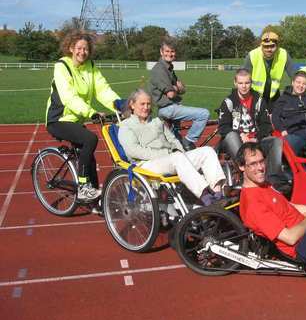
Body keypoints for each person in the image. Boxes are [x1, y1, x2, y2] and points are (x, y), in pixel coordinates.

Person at [118, 89, 226, 206]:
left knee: (207, 151)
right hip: (145, 164)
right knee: (177, 158)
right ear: (132, 105)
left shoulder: (156, 121)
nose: (146, 107)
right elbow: (133, 151)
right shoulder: (126, 126)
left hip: (171, 159)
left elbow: (173, 140)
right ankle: (206, 196)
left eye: (148, 104)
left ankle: (217, 194)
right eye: (142, 104)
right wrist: (165, 154)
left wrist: (180, 151)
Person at [46, 31, 119, 201]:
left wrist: (120, 105)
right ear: (71, 48)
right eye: (79, 48)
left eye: (86, 49)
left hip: (76, 120)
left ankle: (94, 196)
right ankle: (83, 187)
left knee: (89, 157)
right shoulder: (62, 67)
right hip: (58, 120)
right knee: (90, 139)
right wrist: (91, 112)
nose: (82, 52)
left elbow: (103, 89)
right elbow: (69, 97)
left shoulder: (90, 67)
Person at [218, 68, 283, 186]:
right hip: (237, 142)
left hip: (256, 140)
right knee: (232, 136)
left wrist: (257, 138)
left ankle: (274, 180)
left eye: (247, 83)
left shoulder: (259, 100)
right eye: (241, 83)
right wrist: (240, 134)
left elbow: (266, 125)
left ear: (251, 83)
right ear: (235, 83)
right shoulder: (228, 102)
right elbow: (223, 127)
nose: (244, 86)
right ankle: (245, 176)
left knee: (276, 141)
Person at [148, 40, 209, 151]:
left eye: (172, 51)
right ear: (161, 52)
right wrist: (176, 88)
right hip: (167, 108)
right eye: (167, 51)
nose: (170, 54)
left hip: (172, 106)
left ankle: (177, 150)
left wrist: (177, 88)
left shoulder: (169, 68)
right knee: (204, 114)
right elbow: (171, 93)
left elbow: (182, 89)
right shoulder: (159, 70)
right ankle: (189, 140)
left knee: (174, 140)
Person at [243, 31, 295, 107]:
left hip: (274, 95)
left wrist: (295, 94)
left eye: (272, 46)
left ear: (277, 46)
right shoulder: (252, 55)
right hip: (255, 95)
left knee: (275, 118)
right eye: (266, 46)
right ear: (261, 45)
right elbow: (243, 79)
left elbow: (295, 76)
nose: (269, 49)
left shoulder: (284, 54)